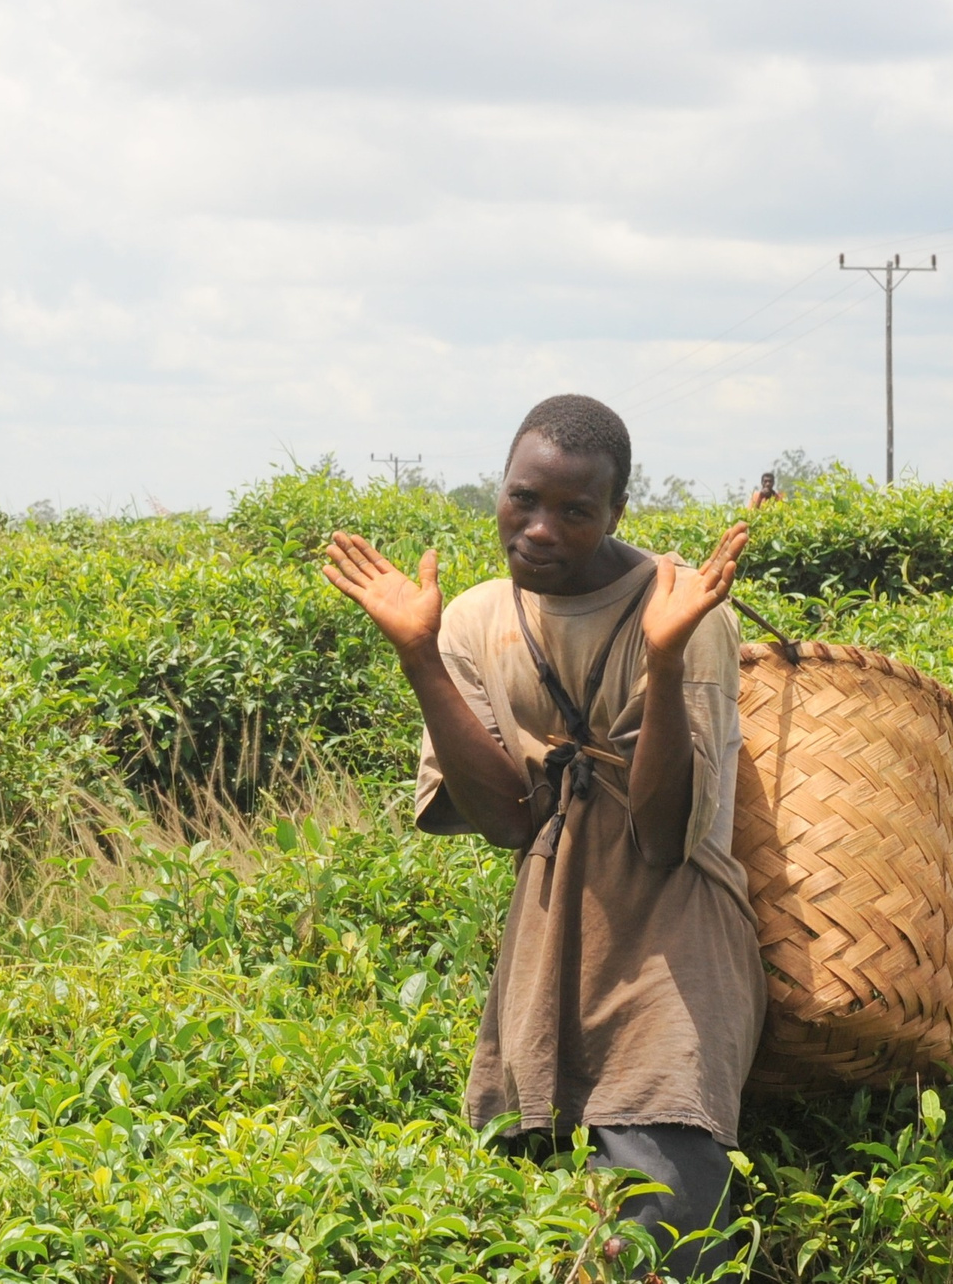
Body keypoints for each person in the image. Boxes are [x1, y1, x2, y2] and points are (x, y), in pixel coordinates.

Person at [322, 394, 758, 1280]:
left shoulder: (683, 611)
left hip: (675, 934)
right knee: (519, 1191)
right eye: (523, 498)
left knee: (662, 1197)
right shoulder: (474, 618)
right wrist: (418, 654)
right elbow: (508, 821)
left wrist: (665, 659)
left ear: (617, 513)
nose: (539, 529)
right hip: (552, 931)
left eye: (574, 511)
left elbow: (668, 832)